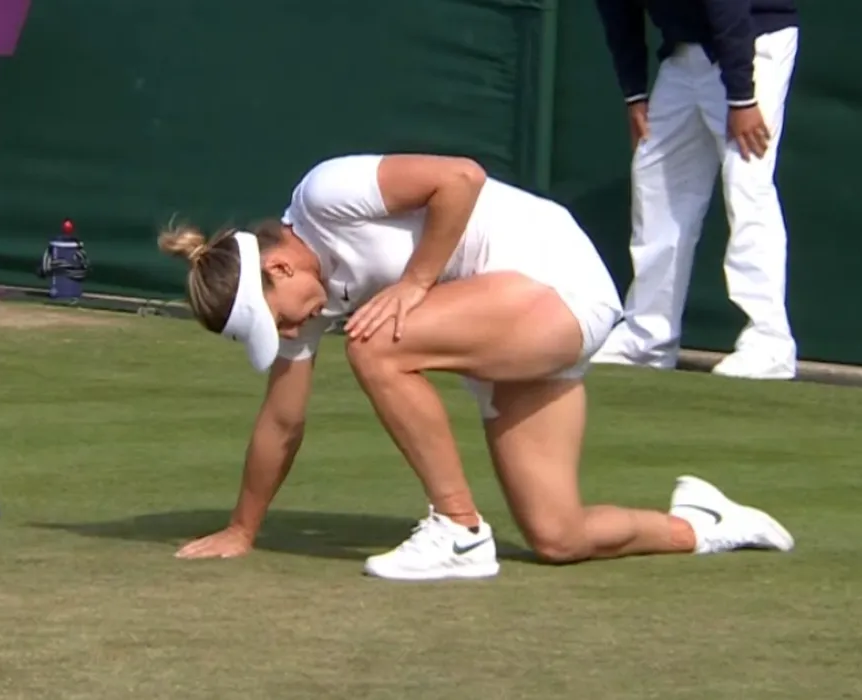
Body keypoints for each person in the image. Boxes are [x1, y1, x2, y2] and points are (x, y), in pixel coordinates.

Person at [157, 153, 795, 581]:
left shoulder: (325, 194)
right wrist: (243, 529)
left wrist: (415, 283)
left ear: (279, 267)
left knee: (373, 344)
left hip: (557, 282)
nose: (292, 332)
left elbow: (461, 177)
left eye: (280, 320)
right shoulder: (311, 299)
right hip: (509, 327)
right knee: (558, 536)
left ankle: (458, 529)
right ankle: (704, 525)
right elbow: (282, 419)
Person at [591, 0, 801, 380]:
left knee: (747, 184)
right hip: (684, 54)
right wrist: (634, 93)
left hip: (754, 38)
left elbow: (727, 6)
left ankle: (770, 343)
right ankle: (647, 338)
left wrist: (742, 96)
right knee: (656, 181)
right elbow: (617, 10)